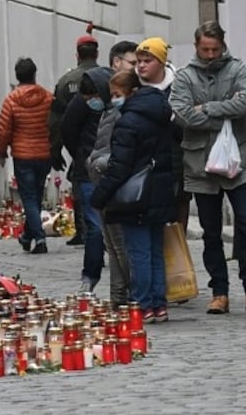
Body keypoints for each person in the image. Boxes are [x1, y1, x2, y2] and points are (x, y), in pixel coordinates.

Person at [170, 20, 246, 313]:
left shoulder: (237, 69)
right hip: (200, 163)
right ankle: (220, 291)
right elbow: (184, 115)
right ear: (197, 47)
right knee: (210, 231)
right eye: (205, 49)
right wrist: (224, 114)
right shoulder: (185, 77)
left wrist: (209, 109)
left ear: (222, 46)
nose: (211, 54)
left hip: (239, 160)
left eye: (215, 49)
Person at [91, 70, 175, 322]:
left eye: (117, 94)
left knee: (138, 253)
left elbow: (120, 165)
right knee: (155, 251)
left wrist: (100, 195)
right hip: (159, 190)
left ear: (130, 92)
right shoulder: (161, 112)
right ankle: (159, 304)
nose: (114, 99)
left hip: (135, 194)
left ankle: (143, 304)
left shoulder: (128, 121)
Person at [86, 40, 138, 305]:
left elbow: (114, 153)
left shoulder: (123, 115)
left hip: (113, 184)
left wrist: (95, 164)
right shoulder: (112, 113)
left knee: (120, 245)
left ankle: (127, 294)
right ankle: (119, 295)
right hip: (107, 182)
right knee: (114, 245)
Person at [63, 66, 114, 292]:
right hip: (88, 170)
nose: (91, 101)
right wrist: (83, 156)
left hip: (114, 169)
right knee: (94, 226)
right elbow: (68, 131)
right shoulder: (80, 104)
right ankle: (90, 276)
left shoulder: (116, 105)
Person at [0, 57, 52, 254]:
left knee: (28, 197)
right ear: (34, 74)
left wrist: (1, 153)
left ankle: (39, 237)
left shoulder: (11, 100)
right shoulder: (47, 97)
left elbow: (4, 130)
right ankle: (27, 236)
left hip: (23, 155)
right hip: (44, 153)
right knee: (36, 196)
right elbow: (54, 124)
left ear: (17, 76)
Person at [135, 37, 190, 235]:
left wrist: (172, 118)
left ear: (161, 62)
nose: (141, 66)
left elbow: (188, 126)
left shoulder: (178, 87)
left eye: (147, 61)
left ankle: (178, 264)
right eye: (138, 61)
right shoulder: (132, 86)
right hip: (141, 166)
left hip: (174, 165)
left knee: (176, 225)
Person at [49, 29, 100, 246]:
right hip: (106, 143)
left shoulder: (66, 81)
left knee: (81, 184)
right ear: (96, 54)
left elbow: (57, 119)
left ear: (77, 55)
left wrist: (56, 148)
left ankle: (84, 229)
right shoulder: (108, 77)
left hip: (79, 146)